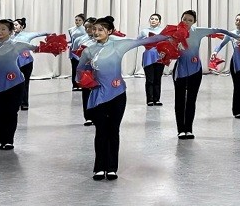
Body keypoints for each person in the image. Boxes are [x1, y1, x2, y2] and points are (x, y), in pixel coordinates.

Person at [76, 16, 174, 180]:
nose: (96, 32)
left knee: (113, 130)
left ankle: (112, 168)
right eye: (95, 29)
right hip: (98, 96)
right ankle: (99, 167)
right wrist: (86, 80)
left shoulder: (119, 45)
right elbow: (79, 71)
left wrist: (170, 35)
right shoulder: (88, 51)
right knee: (101, 132)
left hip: (118, 94)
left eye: (101, 29)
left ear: (109, 31)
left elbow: (145, 41)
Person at [171, 10, 240, 139]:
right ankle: (181, 130)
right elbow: (159, 41)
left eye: (190, 20)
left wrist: (236, 37)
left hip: (195, 70)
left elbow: (219, 30)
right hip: (180, 71)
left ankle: (189, 129)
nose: (186, 22)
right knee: (180, 100)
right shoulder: (173, 31)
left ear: (194, 22)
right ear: (181, 19)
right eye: (184, 19)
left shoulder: (198, 31)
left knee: (191, 100)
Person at [0, 19, 48, 151]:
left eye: (3, 29)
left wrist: (53, 45)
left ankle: (9, 140)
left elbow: (36, 48)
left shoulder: (17, 44)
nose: (0, 32)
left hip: (15, 83)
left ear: (10, 31)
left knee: (11, 112)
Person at [137, 13, 165, 106]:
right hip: (148, 57)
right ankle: (150, 99)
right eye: (152, 19)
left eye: (156, 19)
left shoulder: (163, 31)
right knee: (150, 79)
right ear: (149, 20)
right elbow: (137, 41)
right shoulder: (144, 31)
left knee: (157, 79)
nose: (153, 20)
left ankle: (157, 99)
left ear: (159, 22)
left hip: (160, 57)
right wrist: (145, 40)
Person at [68, 13, 88, 91]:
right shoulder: (71, 30)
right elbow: (72, 40)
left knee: (82, 68)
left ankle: (82, 84)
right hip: (73, 50)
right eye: (76, 20)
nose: (77, 21)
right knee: (74, 68)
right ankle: (74, 84)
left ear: (83, 21)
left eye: (80, 20)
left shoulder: (85, 30)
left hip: (82, 50)